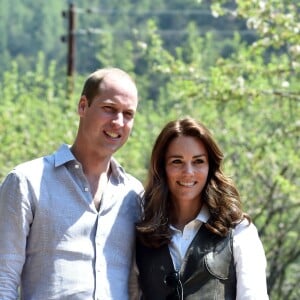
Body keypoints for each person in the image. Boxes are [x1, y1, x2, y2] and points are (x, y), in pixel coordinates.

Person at [0, 67, 144, 300]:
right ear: (83, 106)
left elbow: (136, 285)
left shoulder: (134, 194)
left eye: (128, 114)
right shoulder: (27, 182)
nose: (118, 122)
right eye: (109, 109)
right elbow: (3, 279)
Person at [130, 117, 269, 300]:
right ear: (162, 168)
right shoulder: (142, 233)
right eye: (177, 161)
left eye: (198, 161)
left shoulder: (239, 230)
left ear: (210, 166)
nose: (188, 172)